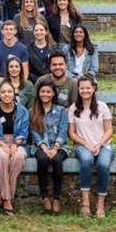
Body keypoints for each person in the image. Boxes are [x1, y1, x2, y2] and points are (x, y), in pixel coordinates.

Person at [69, 75, 115, 218]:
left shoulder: (102, 107)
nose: (85, 91)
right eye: (82, 88)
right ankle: (85, 204)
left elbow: (109, 130)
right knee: (87, 160)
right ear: (78, 89)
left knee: (103, 163)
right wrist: (86, 144)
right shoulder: (73, 108)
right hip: (82, 146)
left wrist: (100, 144)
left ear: (93, 88)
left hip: (103, 144)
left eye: (88, 88)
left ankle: (100, 205)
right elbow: (71, 133)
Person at [0, 81, 29, 216]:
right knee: (3, 157)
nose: (6, 94)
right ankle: (8, 199)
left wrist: (15, 145)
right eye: (3, 92)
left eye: (9, 92)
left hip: (18, 142)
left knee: (18, 157)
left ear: (14, 93)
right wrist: (4, 145)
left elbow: (24, 131)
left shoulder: (22, 110)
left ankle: (3, 194)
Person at [30, 79, 69, 215]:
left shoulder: (61, 111)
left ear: (53, 93)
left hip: (59, 146)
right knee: (43, 160)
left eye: (48, 92)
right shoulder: (33, 111)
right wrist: (45, 148)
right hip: (40, 147)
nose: (45, 94)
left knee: (57, 160)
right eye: (42, 92)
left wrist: (55, 148)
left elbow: (63, 131)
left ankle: (56, 198)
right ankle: (45, 196)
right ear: (38, 93)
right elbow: (34, 133)